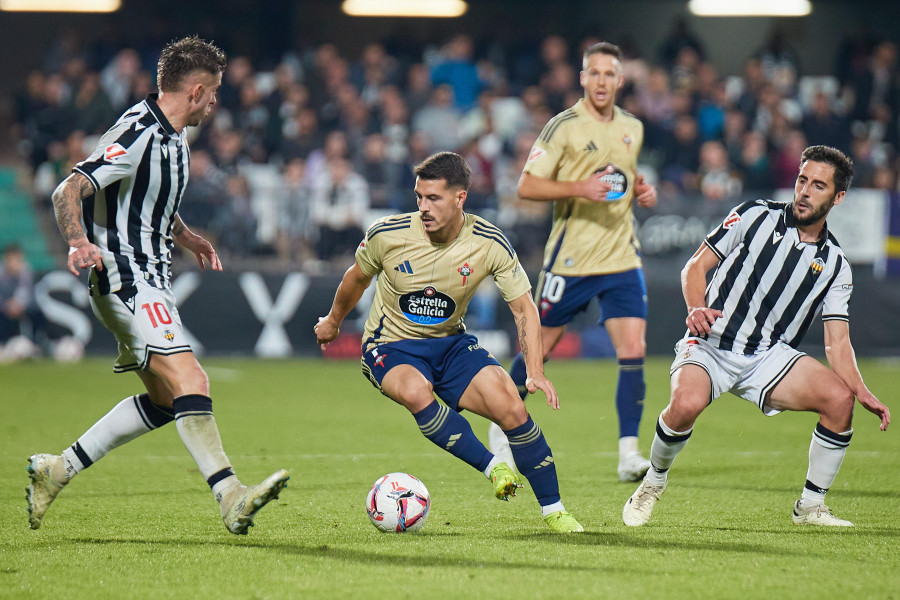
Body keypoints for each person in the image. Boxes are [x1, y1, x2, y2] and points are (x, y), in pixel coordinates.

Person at [27, 36, 289, 534]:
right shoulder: (140, 133)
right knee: (193, 381)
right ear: (194, 92)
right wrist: (78, 241)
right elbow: (71, 188)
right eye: (212, 93)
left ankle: (57, 469)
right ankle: (230, 495)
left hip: (148, 279)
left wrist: (186, 236)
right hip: (129, 278)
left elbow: (148, 201)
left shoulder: (172, 135)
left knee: (169, 401)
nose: (215, 102)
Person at [622, 145, 891, 528]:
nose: (805, 191)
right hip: (712, 343)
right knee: (685, 405)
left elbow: (837, 342)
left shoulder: (835, 264)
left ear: (838, 197)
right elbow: (695, 266)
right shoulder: (754, 215)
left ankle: (811, 507)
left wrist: (861, 390)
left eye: (818, 185)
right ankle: (653, 482)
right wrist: (696, 308)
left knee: (839, 400)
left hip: (766, 356)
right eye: (802, 180)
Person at [314, 151, 583, 533]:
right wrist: (333, 321)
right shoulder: (387, 234)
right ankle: (494, 468)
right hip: (390, 345)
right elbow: (355, 278)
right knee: (415, 389)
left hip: (451, 344)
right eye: (419, 197)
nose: (423, 207)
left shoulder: (489, 242)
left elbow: (524, 308)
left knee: (510, 406)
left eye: (434, 198)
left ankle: (555, 511)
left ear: (460, 198)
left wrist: (535, 371)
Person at [489, 42, 659, 483]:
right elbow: (526, 186)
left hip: (622, 256)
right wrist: (579, 188)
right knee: (538, 350)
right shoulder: (561, 127)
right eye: (593, 73)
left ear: (620, 81)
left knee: (633, 350)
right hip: (571, 260)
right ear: (582, 79)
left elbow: (624, 173)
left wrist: (641, 189)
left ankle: (628, 455)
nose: (601, 81)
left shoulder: (632, 128)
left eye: (609, 74)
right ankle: (500, 424)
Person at [0, 243, 46, 357]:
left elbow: (25, 291)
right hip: (4, 307)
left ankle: (36, 344)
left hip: (20, 306)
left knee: (37, 313)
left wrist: (18, 304)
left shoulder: (25, 271)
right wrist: (6, 305)